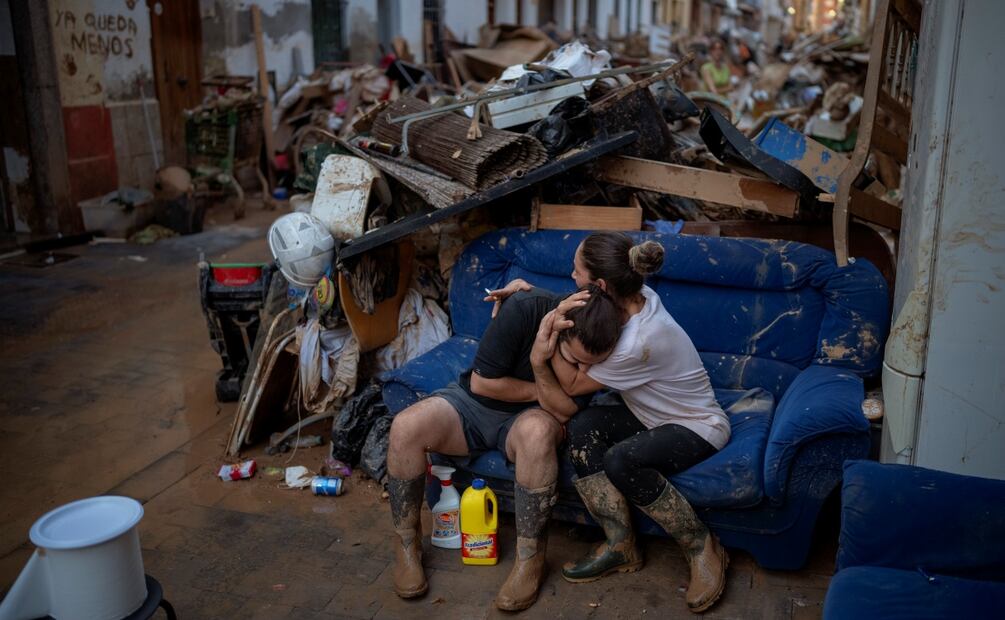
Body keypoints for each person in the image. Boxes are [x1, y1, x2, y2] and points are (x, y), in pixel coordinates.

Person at [487, 232, 731, 613]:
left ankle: (701, 544)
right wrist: (527, 292)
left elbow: (568, 387)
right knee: (584, 429)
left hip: (696, 424)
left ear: (599, 285)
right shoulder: (636, 294)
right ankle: (621, 545)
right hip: (649, 415)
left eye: (576, 271)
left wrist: (545, 338)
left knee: (621, 460)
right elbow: (583, 305)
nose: (570, 276)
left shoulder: (637, 341)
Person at [385, 285, 621, 611]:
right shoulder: (524, 308)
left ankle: (530, 559)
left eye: (591, 367)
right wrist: (545, 389)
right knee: (405, 427)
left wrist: (542, 370)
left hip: (530, 419)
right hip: (474, 403)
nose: (582, 374)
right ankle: (406, 545)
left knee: (537, 432)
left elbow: (566, 411)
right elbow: (484, 383)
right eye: (574, 360)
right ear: (558, 328)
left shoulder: (604, 338)